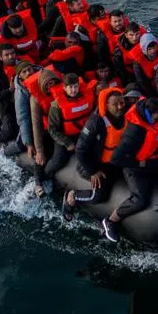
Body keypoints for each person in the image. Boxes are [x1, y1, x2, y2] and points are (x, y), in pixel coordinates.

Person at [101, 97, 158, 242]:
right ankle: (110, 221)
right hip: (136, 169)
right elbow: (116, 158)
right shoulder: (135, 132)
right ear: (153, 113)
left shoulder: (156, 116)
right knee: (140, 200)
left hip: (153, 161)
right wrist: (139, 164)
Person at [61, 86, 127, 220]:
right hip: (92, 165)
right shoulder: (95, 122)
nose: (120, 107)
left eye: (121, 103)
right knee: (99, 196)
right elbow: (80, 149)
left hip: (112, 161)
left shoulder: (123, 117)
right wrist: (92, 171)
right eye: (115, 104)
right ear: (106, 105)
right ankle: (71, 196)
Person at [39, 73, 97, 188]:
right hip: (65, 136)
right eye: (70, 87)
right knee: (59, 160)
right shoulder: (56, 106)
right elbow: (53, 129)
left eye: (75, 86)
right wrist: (67, 142)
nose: (73, 90)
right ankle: (43, 177)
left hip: (84, 134)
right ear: (64, 88)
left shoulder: (87, 96)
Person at [25, 65, 63, 196]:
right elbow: (36, 124)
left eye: (52, 84)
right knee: (41, 155)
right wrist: (39, 150)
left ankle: (45, 177)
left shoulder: (63, 91)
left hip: (60, 130)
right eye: (47, 85)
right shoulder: (35, 99)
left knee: (59, 158)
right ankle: (38, 183)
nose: (50, 88)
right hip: (46, 129)